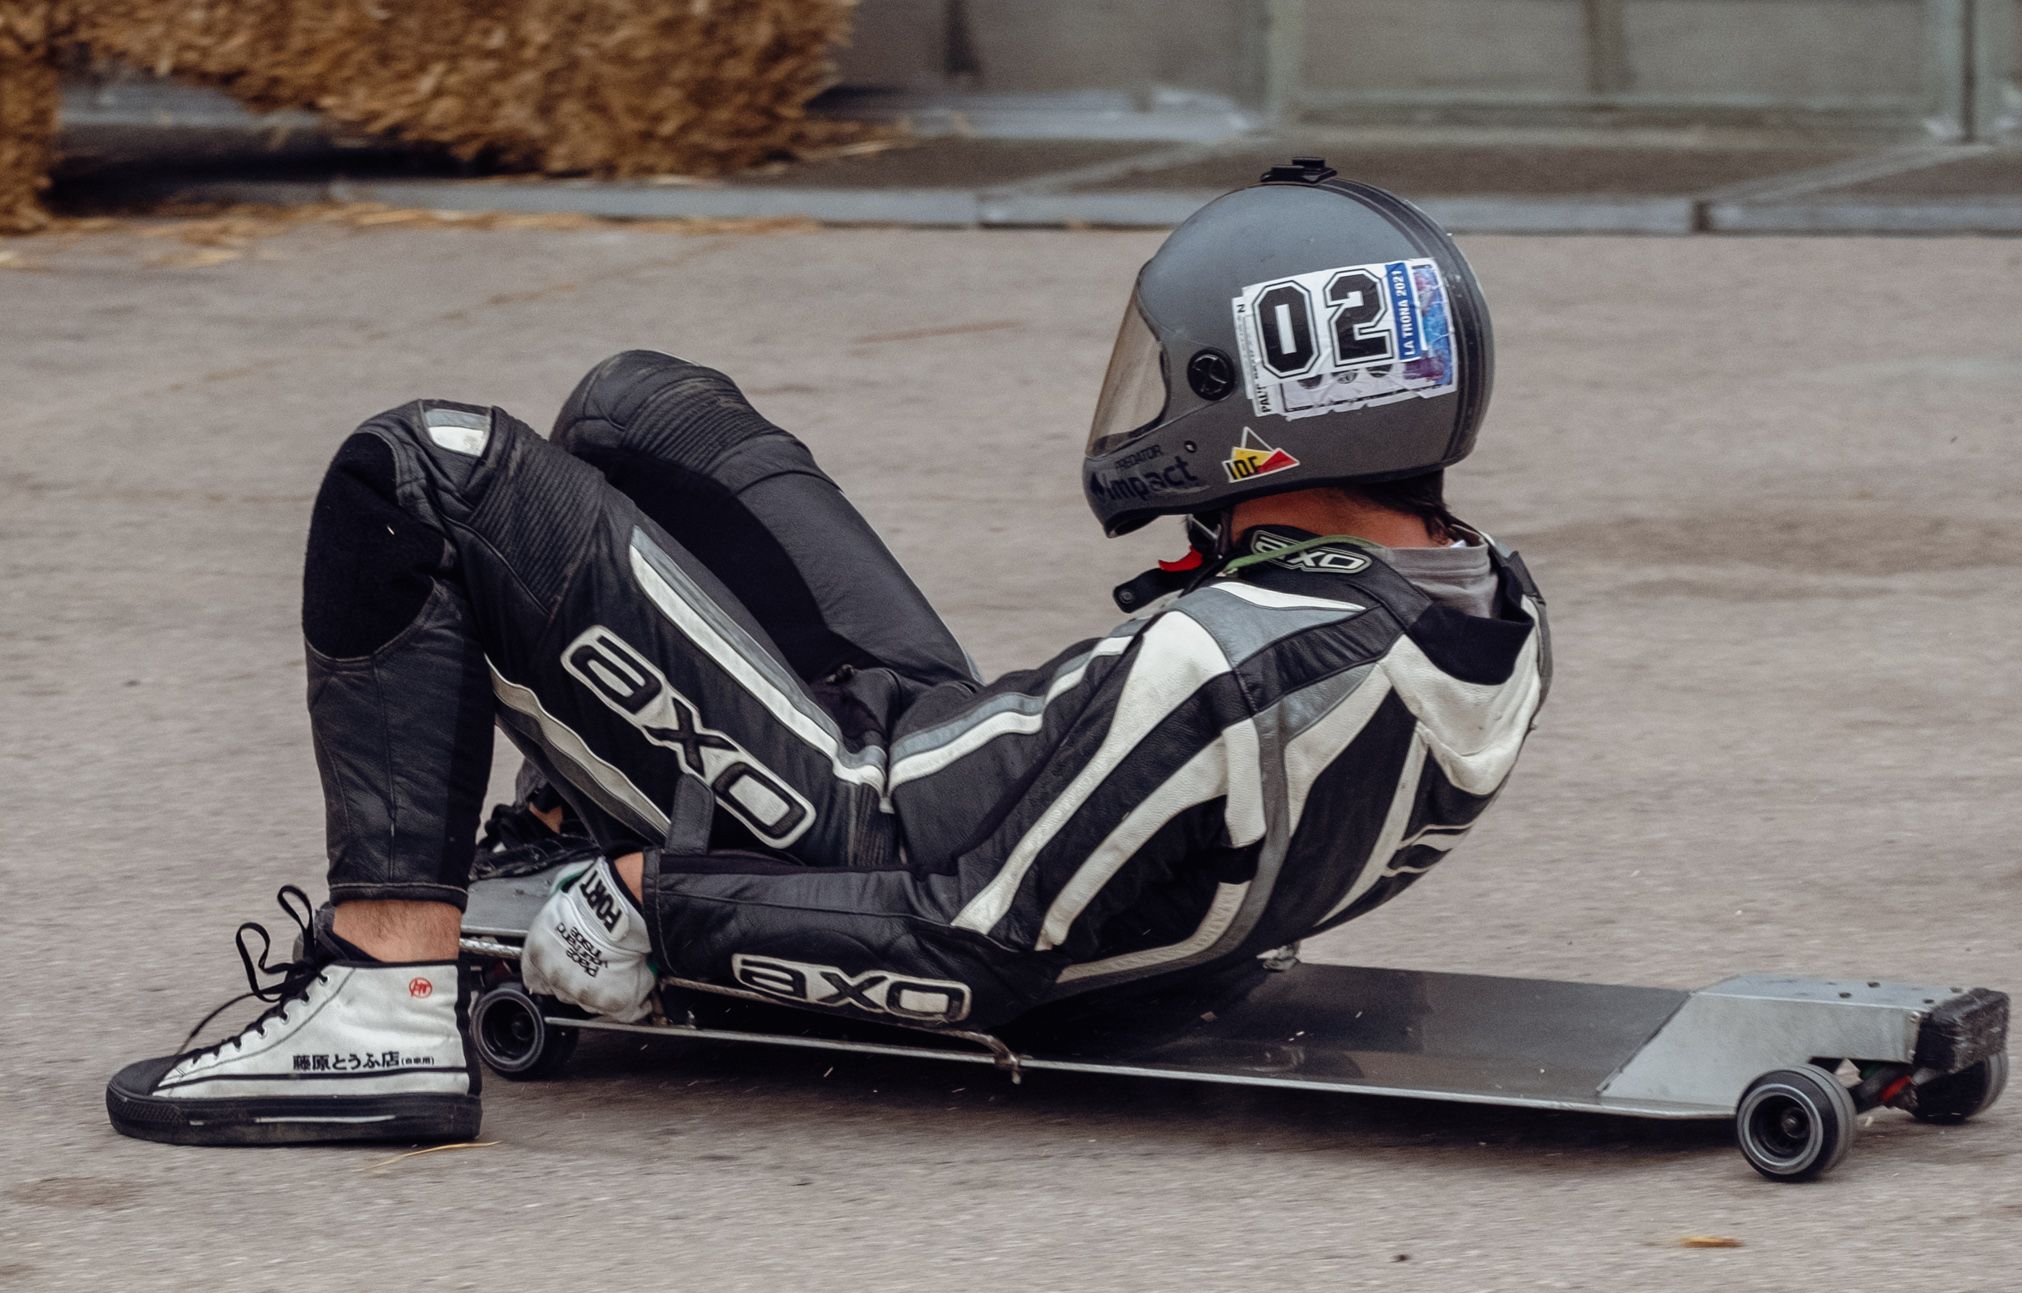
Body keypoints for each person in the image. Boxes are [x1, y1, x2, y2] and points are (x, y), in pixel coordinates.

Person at [106, 161, 1550, 1146]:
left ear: (1275, 401)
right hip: (959, 766)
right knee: (642, 410)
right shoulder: (1485, 612)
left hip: (855, 813)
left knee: (431, 469)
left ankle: (380, 1002)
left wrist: (660, 901)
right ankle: (567, 804)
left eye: (1184, 375)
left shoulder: (1219, 656)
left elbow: (969, 946)